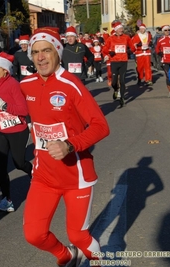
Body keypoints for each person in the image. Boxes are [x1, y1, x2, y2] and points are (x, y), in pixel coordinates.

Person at [20, 27, 110, 267]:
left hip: (76, 176)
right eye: (36, 52)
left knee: (78, 236)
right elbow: (22, 112)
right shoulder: (26, 84)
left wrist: (69, 145)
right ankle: (66, 256)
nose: (40, 57)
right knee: (33, 234)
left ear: (57, 53)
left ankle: (97, 261)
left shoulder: (71, 84)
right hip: (44, 176)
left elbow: (101, 126)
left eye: (46, 50)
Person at [0, 52, 32, 212]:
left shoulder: (14, 84)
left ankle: (35, 173)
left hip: (17, 130)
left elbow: (23, 110)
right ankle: (6, 200)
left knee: (19, 163)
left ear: (5, 70)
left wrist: (4, 106)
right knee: (0, 167)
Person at [102, 21, 135, 107]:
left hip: (124, 61)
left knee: (122, 81)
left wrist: (129, 51)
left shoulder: (126, 37)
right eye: (120, 29)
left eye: (122, 28)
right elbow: (104, 49)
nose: (121, 30)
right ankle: (116, 90)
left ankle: (122, 98)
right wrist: (110, 52)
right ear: (116, 30)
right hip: (114, 61)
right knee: (113, 82)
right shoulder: (110, 39)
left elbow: (133, 48)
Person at [155, 25, 170, 97]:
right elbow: (157, 49)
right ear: (163, 31)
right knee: (168, 75)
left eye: (169, 30)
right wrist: (159, 53)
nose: (167, 31)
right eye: (166, 30)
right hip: (165, 60)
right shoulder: (160, 40)